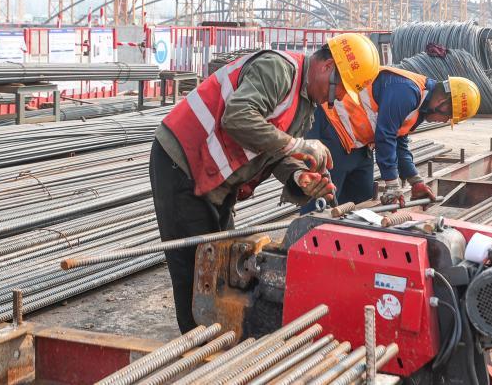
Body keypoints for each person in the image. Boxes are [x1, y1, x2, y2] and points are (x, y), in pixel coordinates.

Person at [150, 33, 380, 333]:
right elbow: (238, 116)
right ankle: (198, 349)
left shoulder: (306, 104)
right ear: (326, 66)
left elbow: (275, 150)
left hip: (216, 175)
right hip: (182, 160)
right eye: (338, 89)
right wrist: (298, 144)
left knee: (221, 258)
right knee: (196, 266)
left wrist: (300, 176)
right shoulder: (278, 70)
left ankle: (215, 337)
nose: (335, 99)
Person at [303, 69, 480, 212]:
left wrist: (415, 181)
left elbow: (399, 140)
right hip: (331, 126)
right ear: (442, 101)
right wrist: (392, 183)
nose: (443, 121)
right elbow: (385, 135)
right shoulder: (407, 91)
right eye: (448, 116)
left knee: (361, 197)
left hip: (357, 141)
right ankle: (304, 240)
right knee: (324, 198)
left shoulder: (421, 106)